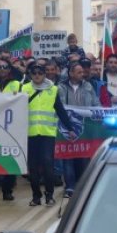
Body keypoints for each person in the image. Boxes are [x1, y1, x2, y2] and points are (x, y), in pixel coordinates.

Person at [22, 63, 76, 206]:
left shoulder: (53, 89)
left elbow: (60, 110)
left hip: (47, 134)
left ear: (45, 74)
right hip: (30, 133)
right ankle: (36, 196)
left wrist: (70, 128)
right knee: (32, 167)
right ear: (30, 75)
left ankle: (49, 195)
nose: (37, 76)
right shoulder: (24, 89)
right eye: (34, 73)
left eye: (40, 73)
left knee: (48, 164)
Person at [59, 62, 100, 198]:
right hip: (66, 127)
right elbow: (60, 106)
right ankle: (70, 187)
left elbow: (95, 104)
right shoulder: (61, 87)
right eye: (79, 72)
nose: (82, 75)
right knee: (68, 158)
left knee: (83, 157)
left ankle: (82, 185)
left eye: (82, 72)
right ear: (71, 73)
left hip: (84, 127)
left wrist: (100, 113)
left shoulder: (88, 86)